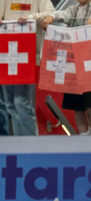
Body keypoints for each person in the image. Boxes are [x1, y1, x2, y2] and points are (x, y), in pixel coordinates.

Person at [0, 0, 54, 136]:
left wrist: (30, 18)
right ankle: (20, 142)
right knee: (10, 103)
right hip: (6, 57)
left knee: (21, 102)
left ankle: (32, 143)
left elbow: (52, 13)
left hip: (28, 57)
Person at [53, 0, 91, 134]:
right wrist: (50, 18)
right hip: (73, 64)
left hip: (88, 65)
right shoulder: (72, 10)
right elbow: (59, 14)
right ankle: (82, 136)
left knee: (89, 103)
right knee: (77, 105)